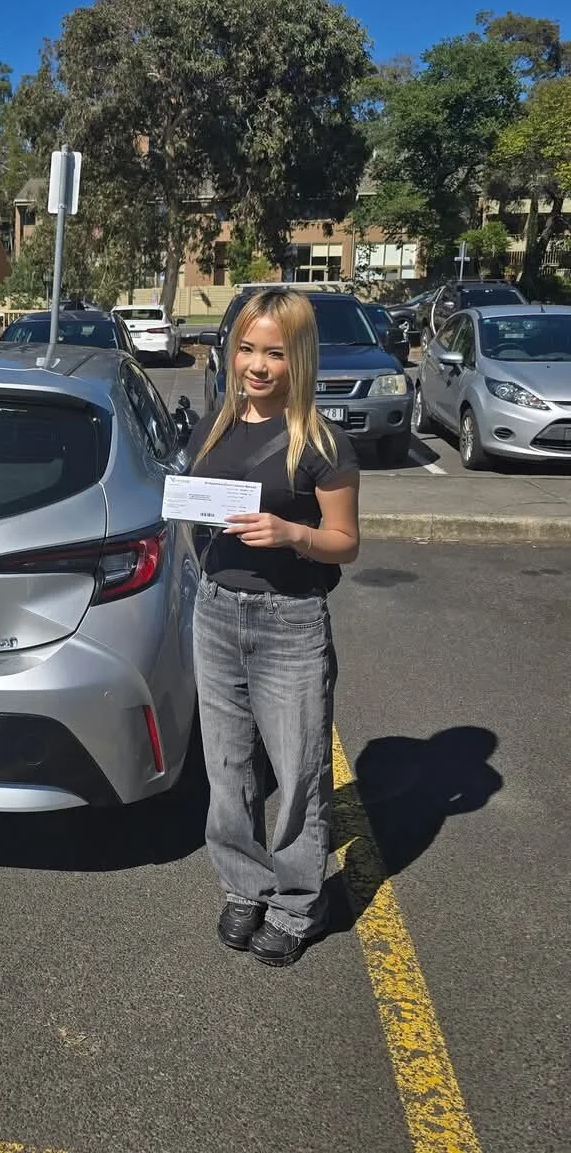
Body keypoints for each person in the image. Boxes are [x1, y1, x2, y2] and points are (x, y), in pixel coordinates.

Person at [187, 288, 360, 967]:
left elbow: (345, 541)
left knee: (299, 769)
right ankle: (242, 884)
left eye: (274, 353)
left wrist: (293, 533)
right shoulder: (213, 427)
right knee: (227, 767)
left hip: (290, 621)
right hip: (216, 611)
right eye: (247, 349)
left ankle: (295, 905)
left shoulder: (320, 441)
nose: (257, 366)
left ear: (299, 358)